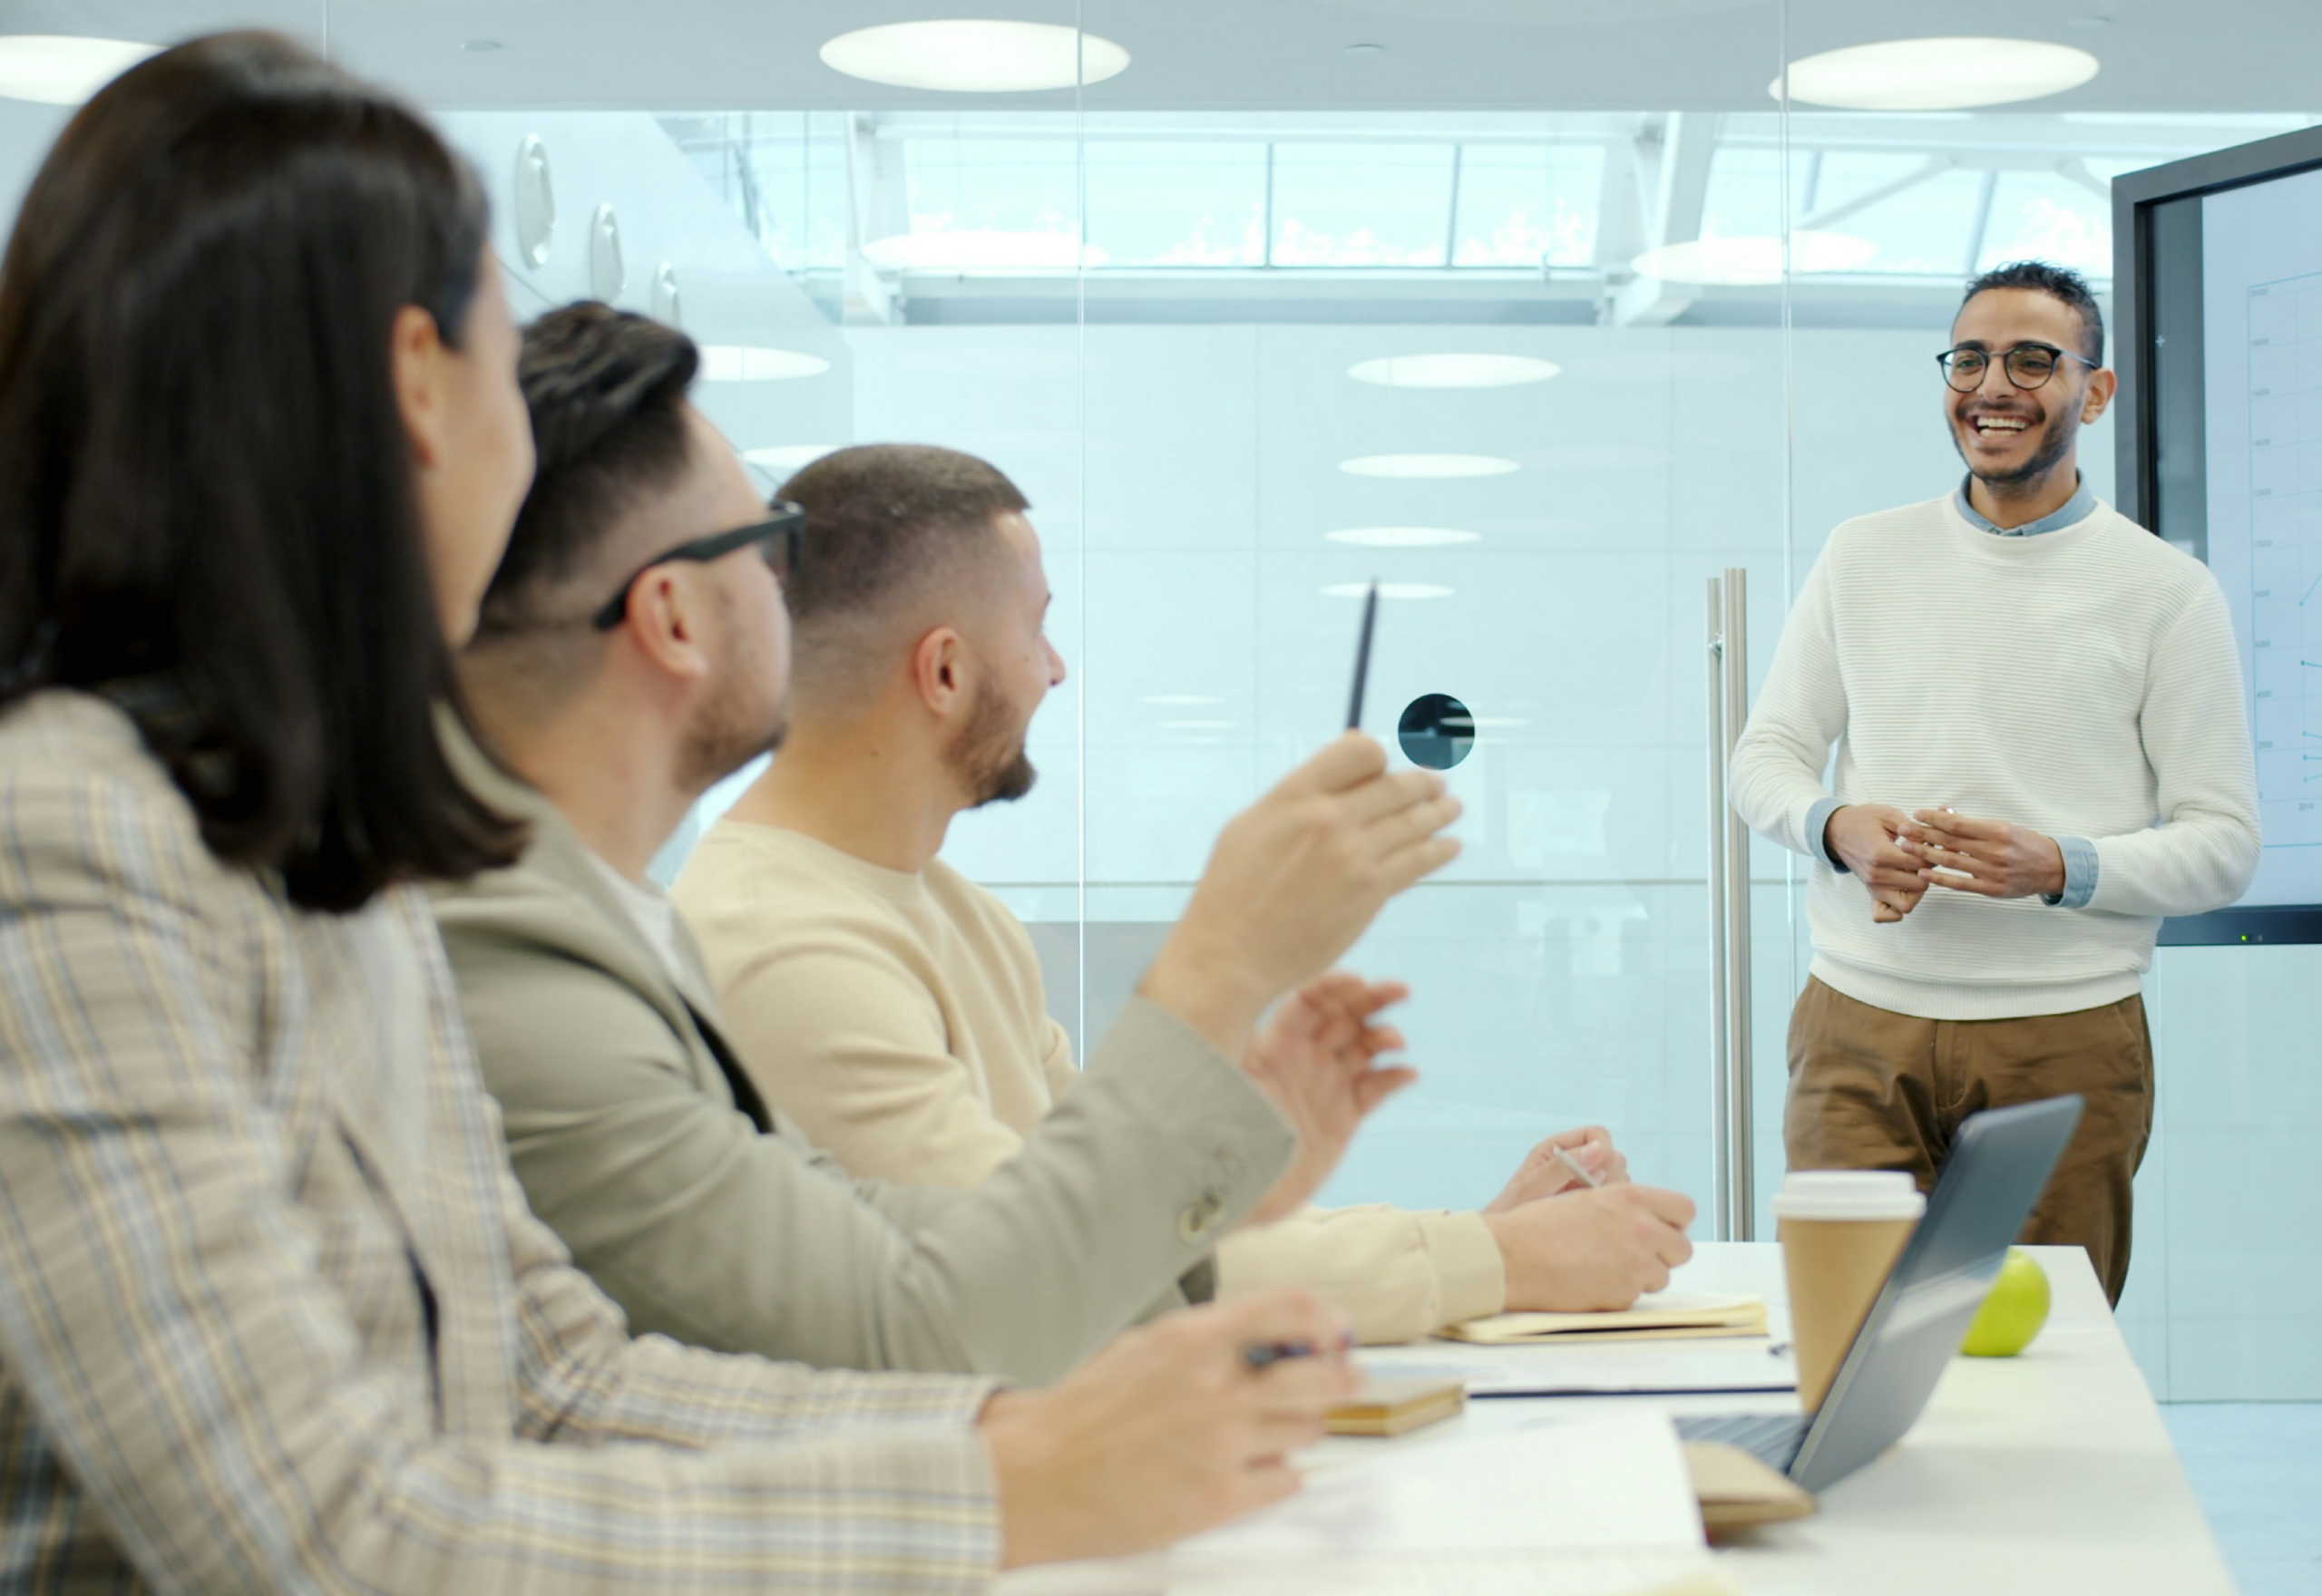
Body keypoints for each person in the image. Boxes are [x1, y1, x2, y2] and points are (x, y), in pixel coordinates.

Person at [0, 34, 1361, 1591]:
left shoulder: (329, 860)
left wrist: (1005, 1448)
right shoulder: (69, 830)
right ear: (415, 383)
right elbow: (323, 1530)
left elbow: (552, 1378)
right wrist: (1007, 1493)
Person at [438, 302, 1454, 1383]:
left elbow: (981, 1249)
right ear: (674, 616)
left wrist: (1237, 1148)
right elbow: (950, 1313)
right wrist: (1223, 961)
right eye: (766, 551)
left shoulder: (628, 933)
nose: (795, 602)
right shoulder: (583, 959)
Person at [671, 443, 1699, 1344]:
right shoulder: (781, 945)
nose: (1055, 670)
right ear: (943, 671)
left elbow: (1134, 1230)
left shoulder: (959, 915)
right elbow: (1061, 1278)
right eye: (1037, 629)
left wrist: (1490, 1238)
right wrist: (1495, 1258)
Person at [1729, 259, 2259, 1306]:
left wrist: (2060, 864)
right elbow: (1765, 758)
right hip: (1855, 1022)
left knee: (2044, 1356)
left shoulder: (2166, 591)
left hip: (2062, 1035)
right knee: (1840, 1338)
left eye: (2031, 359)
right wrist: (1837, 827)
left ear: (2094, 393)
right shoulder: (1860, 554)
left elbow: (2225, 842)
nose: (1992, 385)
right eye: (1968, 358)